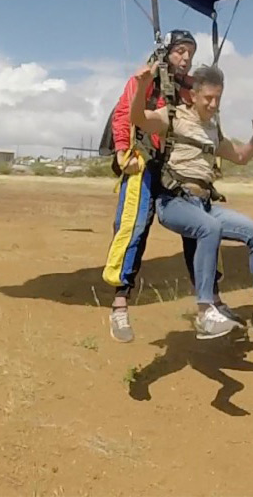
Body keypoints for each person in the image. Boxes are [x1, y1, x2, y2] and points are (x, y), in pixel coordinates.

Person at [129, 61, 253, 340]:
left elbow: (241, 157)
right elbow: (138, 118)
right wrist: (141, 87)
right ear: (193, 95)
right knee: (209, 228)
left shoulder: (213, 130)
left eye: (217, 99)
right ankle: (205, 312)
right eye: (208, 98)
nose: (212, 104)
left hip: (204, 204)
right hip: (174, 202)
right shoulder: (172, 116)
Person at [101, 29, 243, 343]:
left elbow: (205, 120)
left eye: (190, 52)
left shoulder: (191, 87)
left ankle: (212, 302)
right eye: (180, 51)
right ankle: (120, 303)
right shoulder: (146, 78)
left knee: (202, 226)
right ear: (167, 52)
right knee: (134, 226)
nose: (186, 58)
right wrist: (123, 151)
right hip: (143, 161)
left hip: (176, 168)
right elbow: (125, 114)